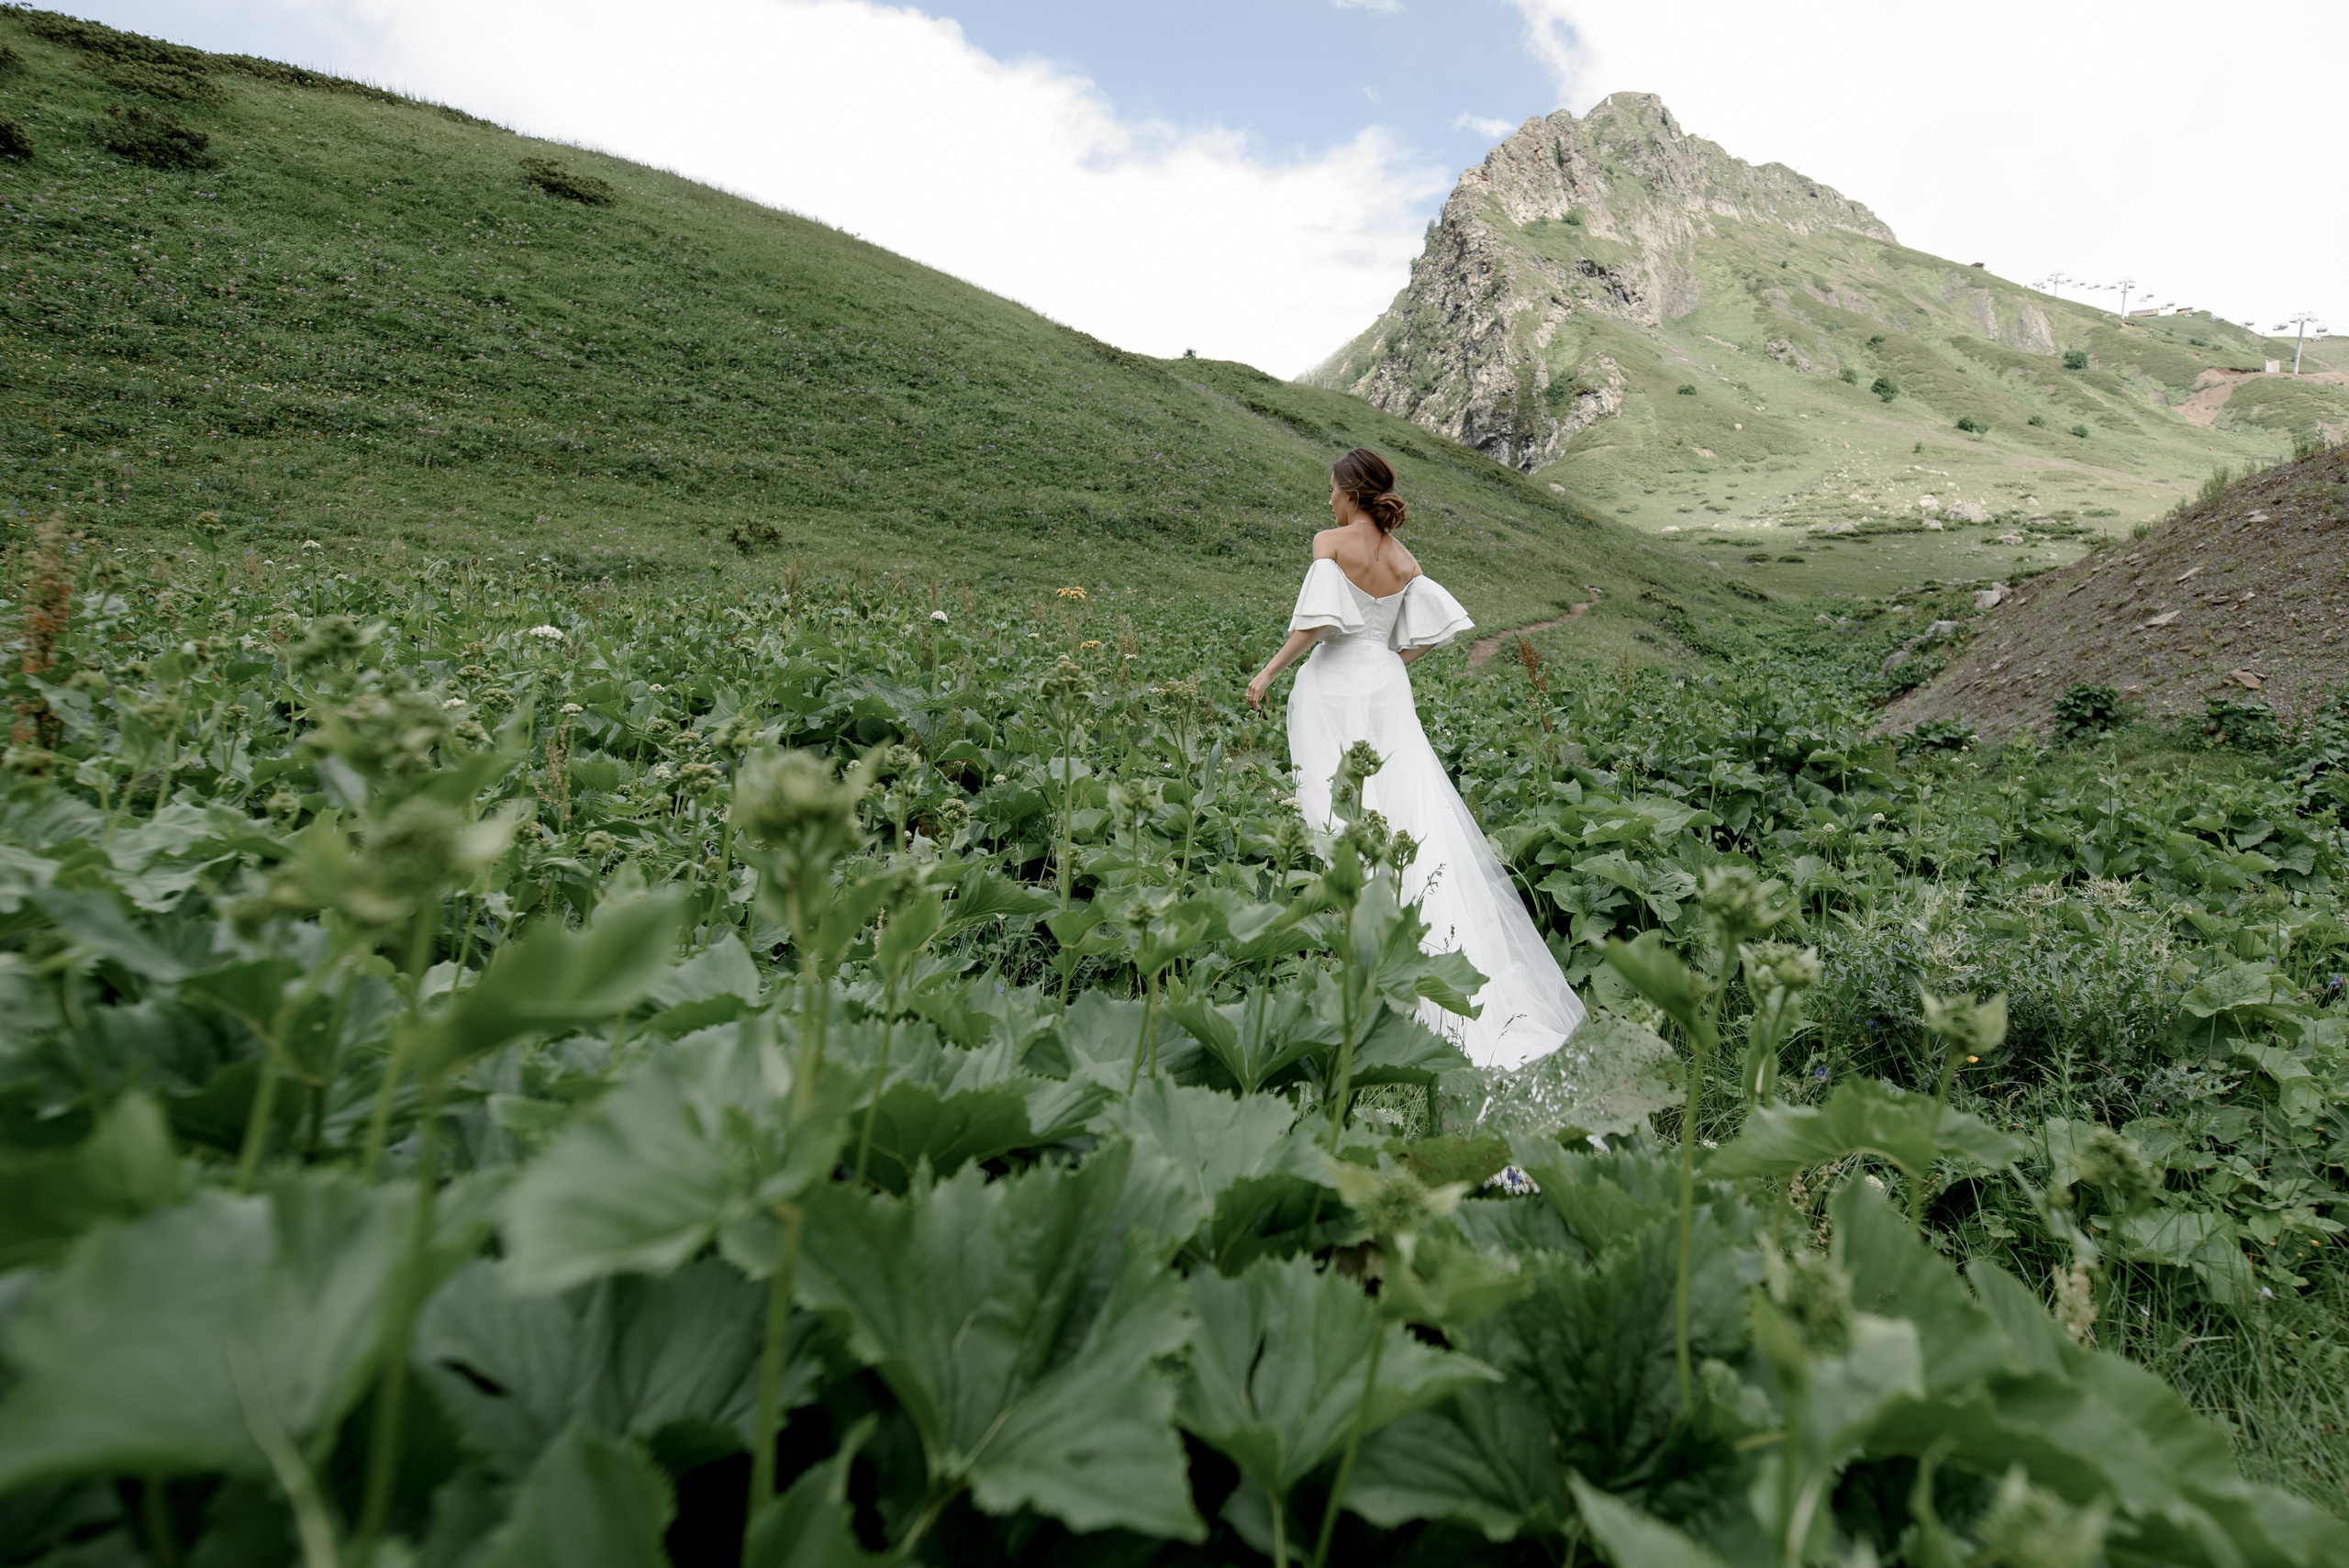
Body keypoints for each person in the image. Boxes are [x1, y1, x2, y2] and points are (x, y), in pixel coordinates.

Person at [1246, 448, 1585, 1070]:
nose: (1328, 500)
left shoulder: (1330, 541)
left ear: (1352, 490)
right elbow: (1433, 630)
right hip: (1383, 684)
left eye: (1332, 489)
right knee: (1404, 811)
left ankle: (1354, 954)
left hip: (1335, 685)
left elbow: (1316, 626)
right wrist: (1388, 661)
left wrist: (1267, 673)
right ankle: (1415, 952)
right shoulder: (1405, 561)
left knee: (1337, 810)